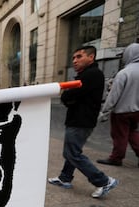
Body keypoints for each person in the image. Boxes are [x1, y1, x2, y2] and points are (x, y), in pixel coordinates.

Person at [48, 45, 118, 198]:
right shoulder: (86, 74)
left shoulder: (91, 75)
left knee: (71, 153)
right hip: (79, 119)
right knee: (73, 152)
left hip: (81, 121)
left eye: (79, 57)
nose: (74, 60)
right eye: (73, 57)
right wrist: (69, 97)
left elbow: (67, 96)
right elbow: (69, 97)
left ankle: (103, 181)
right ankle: (65, 178)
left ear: (91, 57)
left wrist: (68, 97)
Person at [96, 43, 139, 167]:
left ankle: (116, 158)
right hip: (137, 110)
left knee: (120, 135)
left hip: (122, 111)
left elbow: (113, 95)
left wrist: (105, 111)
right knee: (133, 133)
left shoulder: (124, 73)